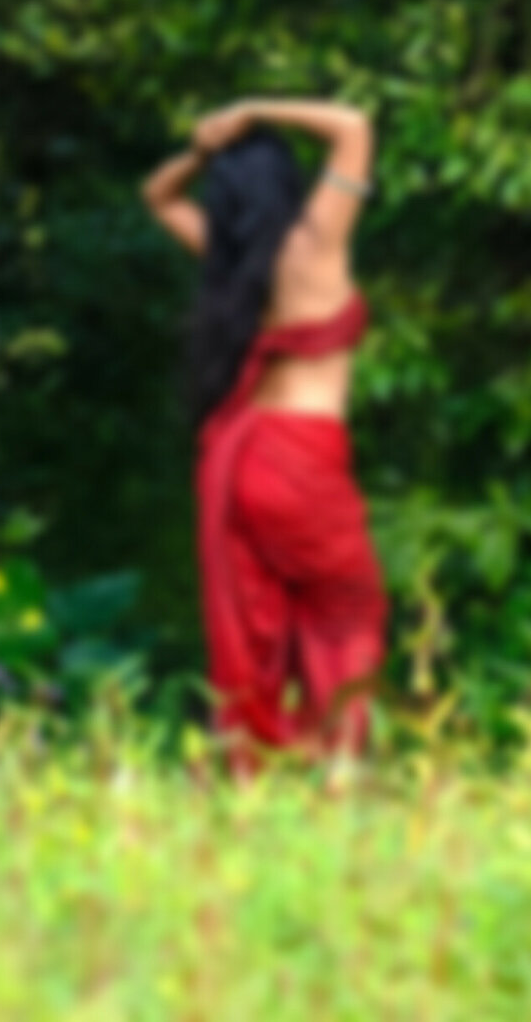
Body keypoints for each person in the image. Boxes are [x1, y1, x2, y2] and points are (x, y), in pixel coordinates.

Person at [139, 97, 387, 779]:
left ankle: (257, 770)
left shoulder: (231, 262)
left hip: (242, 459)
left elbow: (158, 196)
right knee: (348, 612)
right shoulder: (314, 248)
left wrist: (201, 150)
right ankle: (339, 771)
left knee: (262, 620)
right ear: (285, 184)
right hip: (303, 459)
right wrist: (252, 109)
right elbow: (353, 126)